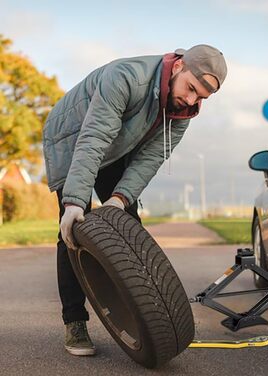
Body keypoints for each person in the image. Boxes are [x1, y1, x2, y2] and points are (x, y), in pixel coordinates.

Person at [42, 44, 227, 356]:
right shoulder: (126, 77)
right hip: (74, 138)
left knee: (128, 220)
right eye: (192, 89)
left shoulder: (183, 113)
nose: (192, 100)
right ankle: (75, 322)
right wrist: (74, 202)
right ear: (180, 66)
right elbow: (95, 138)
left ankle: (146, 312)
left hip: (117, 144)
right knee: (72, 229)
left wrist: (119, 200)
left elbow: (149, 160)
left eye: (202, 98)